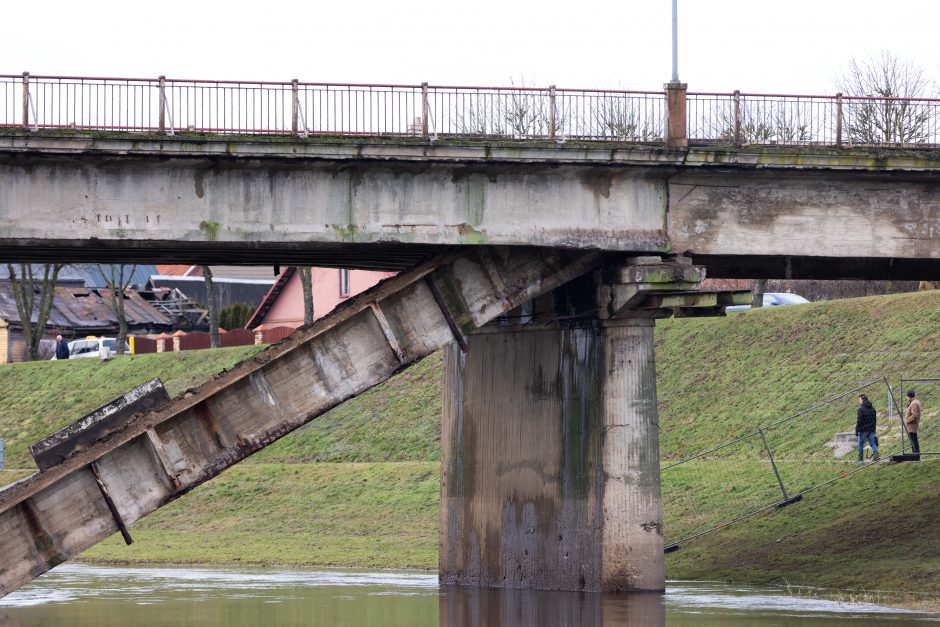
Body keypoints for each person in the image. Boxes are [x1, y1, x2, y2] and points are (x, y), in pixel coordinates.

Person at [855, 394, 879, 461]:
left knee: (860, 444)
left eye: (859, 400)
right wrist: (874, 429)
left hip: (863, 430)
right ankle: (876, 456)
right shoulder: (873, 409)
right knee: (873, 443)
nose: (859, 401)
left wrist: (857, 430)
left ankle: (860, 458)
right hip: (871, 430)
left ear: (862, 400)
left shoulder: (860, 409)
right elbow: (874, 420)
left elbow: (859, 421)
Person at [905, 390, 922, 456]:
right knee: (914, 440)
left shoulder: (914, 403)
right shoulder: (915, 402)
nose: (907, 397)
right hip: (913, 425)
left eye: (907, 396)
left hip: (912, 426)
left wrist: (908, 420)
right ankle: (916, 454)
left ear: (909, 396)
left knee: (913, 441)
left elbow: (915, 414)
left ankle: (915, 454)